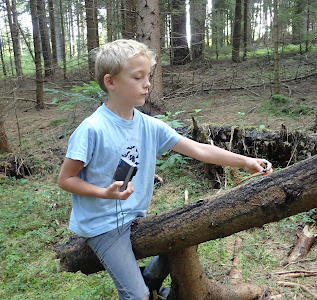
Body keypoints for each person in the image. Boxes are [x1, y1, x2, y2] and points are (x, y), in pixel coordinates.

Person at [57, 39, 273, 300]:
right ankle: (145, 288)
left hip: (136, 217)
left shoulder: (149, 126)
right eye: (138, 77)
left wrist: (244, 161)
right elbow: (66, 179)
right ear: (111, 82)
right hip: (103, 225)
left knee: (178, 239)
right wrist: (106, 193)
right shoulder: (92, 129)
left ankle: (150, 279)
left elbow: (198, 149)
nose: (147, 84)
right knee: (136, 296)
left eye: (148, 76)